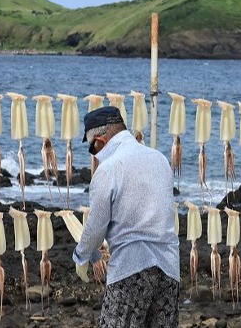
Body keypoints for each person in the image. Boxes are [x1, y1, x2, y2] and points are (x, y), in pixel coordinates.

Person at [73, 106, 180, 328]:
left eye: (92, 148)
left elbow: (96, 226)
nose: (94, 154)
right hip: (169, 268)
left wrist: (82, 256)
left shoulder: (109, 169)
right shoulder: (159, 160)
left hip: (130, 270)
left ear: (100, 140)